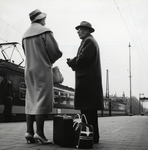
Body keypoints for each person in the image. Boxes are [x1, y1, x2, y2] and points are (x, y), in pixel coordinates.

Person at [22, 9, 62, 144]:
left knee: (31, 99)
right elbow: (55, 52)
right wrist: (48, 60)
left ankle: (29, 132)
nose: (45, 20)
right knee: (41, 100)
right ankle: (39, 133)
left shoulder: (25, 35)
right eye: (44, 18)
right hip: (42, 70)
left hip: (29, 71)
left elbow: (26, 53)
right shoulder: (45, 31)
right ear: (41, 19)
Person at [67, 21, 104, 144]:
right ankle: (93, 137)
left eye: (81, 29)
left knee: (87, 112)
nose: (78, 31)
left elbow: (84, 59)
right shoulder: (90, 41)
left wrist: (72, 62)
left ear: (87, 30)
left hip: (87, 83)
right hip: (89, 82)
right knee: (89, 113)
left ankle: (90, 137)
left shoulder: (88, 41)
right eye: (78, 30)